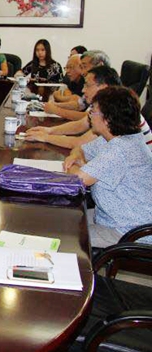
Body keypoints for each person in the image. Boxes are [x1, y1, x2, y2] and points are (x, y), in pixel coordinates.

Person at [63, 86, 152, 248]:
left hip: (127, 231)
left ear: (108, 119)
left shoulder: (120, 149)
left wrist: (73, 166)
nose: (90, 115)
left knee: (64, 235)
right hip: (109, 218)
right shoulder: (115, 139)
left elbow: (76, 180)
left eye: (93, 111)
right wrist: (75, 157)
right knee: (64, 218)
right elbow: (80, 148)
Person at [26, 66, 152, 151]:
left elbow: (80, 143)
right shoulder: (104, 104)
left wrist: (46, 137)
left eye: (87, 85)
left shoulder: (116, 111)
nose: (83, 90)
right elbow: (81, 124)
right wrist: (49, 130)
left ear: (103, 86)